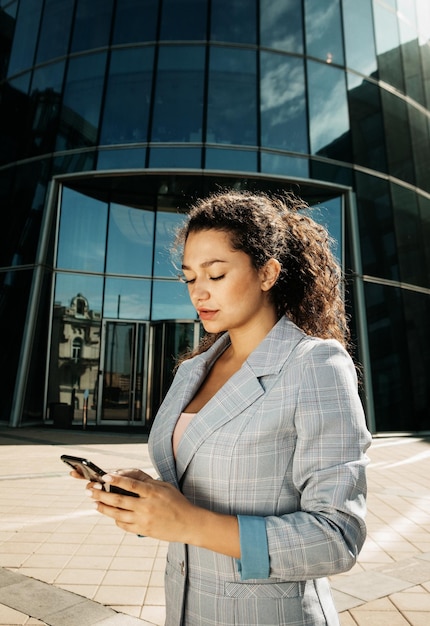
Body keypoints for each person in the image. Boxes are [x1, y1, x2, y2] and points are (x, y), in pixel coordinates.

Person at [76, 190, 372, 625]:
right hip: (185, 608)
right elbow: (207, 478)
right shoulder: (192, 369)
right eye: (190, 277)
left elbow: (336, 538)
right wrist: (148, 498)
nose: (200, 292)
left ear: (268, 273)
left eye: (216, 274)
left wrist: (189, 522)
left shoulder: (315, 365)